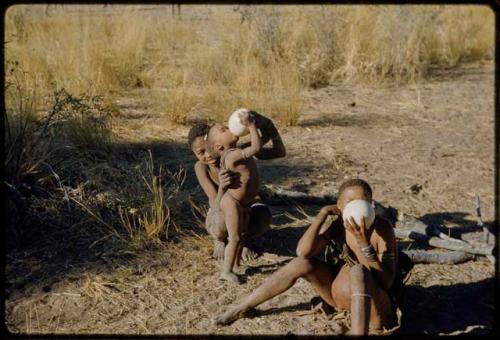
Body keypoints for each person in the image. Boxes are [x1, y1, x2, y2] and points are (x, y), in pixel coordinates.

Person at [214, 179, 405, 335]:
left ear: (371, 204)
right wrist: (322, 215)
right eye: (350, 202)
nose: (357, 207)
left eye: (362, 201)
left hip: (374, 309)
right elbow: (302, 253)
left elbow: (386, 281)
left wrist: (364, 245)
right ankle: (243, 307)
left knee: (357, 270)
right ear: (339, 205)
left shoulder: (381, 229)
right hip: (337, 298)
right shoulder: (339, 224)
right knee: (300, 264)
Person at [188, 112, 285, 261]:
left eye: (208, 148)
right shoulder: (201, 168)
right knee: (221, 225)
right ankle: (220, 240)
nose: (208, 154)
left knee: (263, 216)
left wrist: (266, 125)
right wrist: (222, 187)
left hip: (244, 210)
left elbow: (279, 152)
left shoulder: (237, 154)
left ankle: (245, 240)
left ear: (216, 144)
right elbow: (215, 205)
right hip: (220, 212)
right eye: (201, 152)